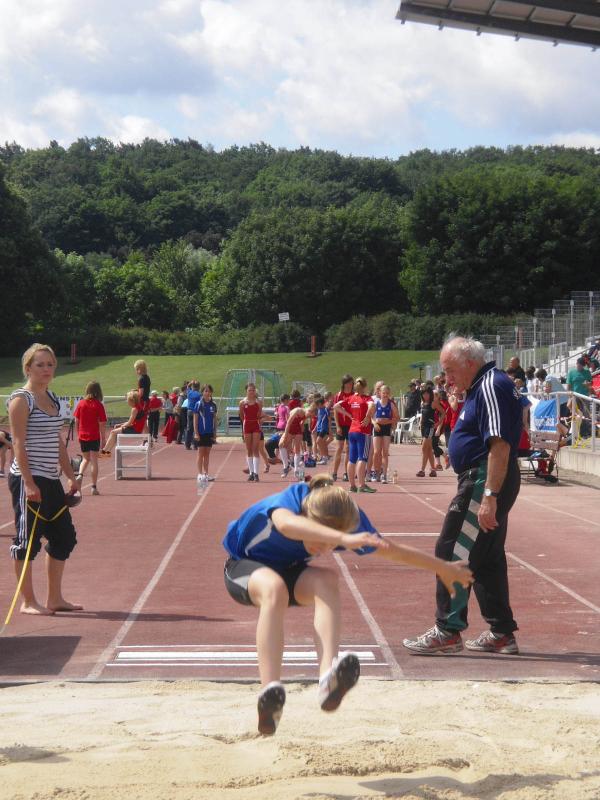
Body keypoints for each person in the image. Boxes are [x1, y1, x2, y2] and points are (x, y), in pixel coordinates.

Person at [223, 474, 473, 735]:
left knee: (327, 580)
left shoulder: (349, 519)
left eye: (330, 545)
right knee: (274, 589)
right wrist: (343, 539)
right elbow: (286, 525)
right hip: (243, 567)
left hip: (288, 571)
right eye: (321, 540)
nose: (324, 549)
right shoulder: (293, 500)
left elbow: (393, 550)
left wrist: (442, 567)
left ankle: (327, 678)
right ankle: (269, 692)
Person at [403, 335, 522, 656]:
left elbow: (500, 445)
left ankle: (448, 630)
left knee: (452, 550)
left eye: (450, 370)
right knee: (486, 556)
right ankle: (501, 633)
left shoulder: (490, 386)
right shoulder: (482, 386)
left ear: (470, 363)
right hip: (485, 476)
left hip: (484, 477)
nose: (446, 378)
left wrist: (489, 495)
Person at [7, 343, 82, 615]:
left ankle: (54, 598)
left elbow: (57, 441)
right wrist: (28, 482)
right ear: (28, 368)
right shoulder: (21, 399)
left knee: (64, 537)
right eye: (40, 365)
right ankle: (28, 601)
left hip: (51, 479)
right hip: (28, 478)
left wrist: (71, 476)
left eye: (50, 364)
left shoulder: (53, 398)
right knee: (27, 543)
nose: (46, 369)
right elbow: (18, 443)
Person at [333, 377, 376, 494]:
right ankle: (362, 484)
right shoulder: (366, 398)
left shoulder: (351, 398)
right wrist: (368, 416)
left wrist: (348, 414)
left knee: (352, 459)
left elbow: (336, 406)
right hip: (363, 431)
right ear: (365, 387)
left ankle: (352, 485)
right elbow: (372, 405)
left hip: (352, 431)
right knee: (362, 458)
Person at [73, 381, 107, 496]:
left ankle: (80, 475)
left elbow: (76, 420)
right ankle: (94, 487)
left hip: (83, 435)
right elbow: (102, 423)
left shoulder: (81, 403)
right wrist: (103, 438)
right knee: (94, 461)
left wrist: (78, 433)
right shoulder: (98, 405)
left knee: (85, 459)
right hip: (94, 436)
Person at [101, 390, 147, 455]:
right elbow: (131, 421)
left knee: (113, 432)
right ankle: (107, 452)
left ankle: (104, 451)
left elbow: (129, 423)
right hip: (136, 429)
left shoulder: (134, 409)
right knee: (115, 433)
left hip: (134, 430)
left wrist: (122, 426)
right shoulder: (139, 407)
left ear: (132, 401)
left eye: (128, 400)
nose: (127, 402)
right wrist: (120, 424)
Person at [372, 384, 398, 483]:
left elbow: (397, 417)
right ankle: (376, 472)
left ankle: (384, 475)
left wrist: (388, 421)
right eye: (383, 393)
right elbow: (370, 417)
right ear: (380, 393)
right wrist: (375, 423)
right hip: (377, 428)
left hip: (386, 428)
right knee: (376, 452)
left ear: (389, 394)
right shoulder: (376, 404)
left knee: (385, 452)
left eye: (387, 393)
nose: (385, 395)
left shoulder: (391, 404)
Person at [193, 384, 218, 481]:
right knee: (200, 453)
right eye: (205, 391)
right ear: (202, 392)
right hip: (200, 432)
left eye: (209, 391)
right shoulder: (198, 404)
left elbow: (215, 420)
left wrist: (215, 433)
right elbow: (195, 420)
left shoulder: (213, 405)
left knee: (207, 454)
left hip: (209, 432)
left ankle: (206, 474)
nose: (207, 393)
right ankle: (199, 474)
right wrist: (196, 433)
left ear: (211, 392)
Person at [239, 383, 263, 482]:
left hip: (255, 425)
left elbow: (259, 414)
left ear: (255, 391)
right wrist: (245, 424)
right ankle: (251, 473)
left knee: (255, 448)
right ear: (246, 391)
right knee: (249, 449)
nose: (251, 392)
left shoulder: (259, 402)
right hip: (247, 425)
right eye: (249, 390)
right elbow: (241, 415)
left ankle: (256, 473)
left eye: (253, 390)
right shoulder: (242, 402)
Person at [332, 375, 354, 482]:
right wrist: (337, 426)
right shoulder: (339, 395)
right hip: (341, 425)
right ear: (344, 384)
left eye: (351, 383)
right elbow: (335, 411)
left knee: (348, 449)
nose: (350, 385)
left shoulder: (354, 395)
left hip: (351, 425)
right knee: (339, 448)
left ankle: (346, 473)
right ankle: (334, 472)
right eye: (348, 383)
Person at [185, 381, 201, 450]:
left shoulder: (189, 392)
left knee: (189, 428)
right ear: (199, 387)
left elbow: (187, 386)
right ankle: (195, 445)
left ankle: (187, 445)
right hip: (196, 412)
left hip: (189, 411)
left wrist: (191, 382)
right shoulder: (199, 394)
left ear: (193, 386)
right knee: (196, 428)